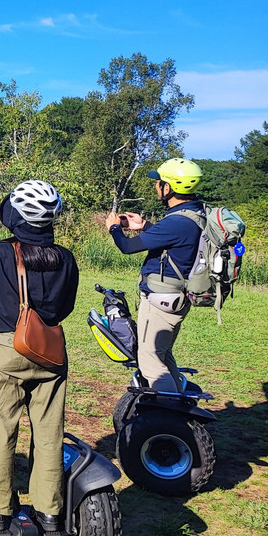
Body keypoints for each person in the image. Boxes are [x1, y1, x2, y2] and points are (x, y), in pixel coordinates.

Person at [0, 181, 78, 534]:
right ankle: (50, 512)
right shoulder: (66, 258)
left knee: (3, 429)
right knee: (50, 434)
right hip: (51, 352)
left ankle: (0, 511)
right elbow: (65, 307)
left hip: (8, 350)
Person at [105, 158, 204, 393]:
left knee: (149, 360)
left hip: (162, 299)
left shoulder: (176, 222)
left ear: (167, 188)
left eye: (158, 182)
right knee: (162, 353)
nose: (156, 186)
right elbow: (176, 241)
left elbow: (128, 248)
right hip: (178, 295)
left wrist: (113, 227)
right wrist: (145, 225)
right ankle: (176, 399)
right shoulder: (195, 214)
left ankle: (169, 416)